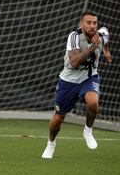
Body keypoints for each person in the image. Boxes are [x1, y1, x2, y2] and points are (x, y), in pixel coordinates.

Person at [41, 11, 112, 159]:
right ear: (82, 24)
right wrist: (93, 47)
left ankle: (88, 130)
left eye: (94, 23)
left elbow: (106, 33)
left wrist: (105, 50)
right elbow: (74, 62)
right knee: (58, 119)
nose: (92, 26)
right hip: (69, 81)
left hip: (89, 77)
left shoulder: (101, 35)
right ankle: (51, 143)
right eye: (88, 23)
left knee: (93, 103)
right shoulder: (74, 37)